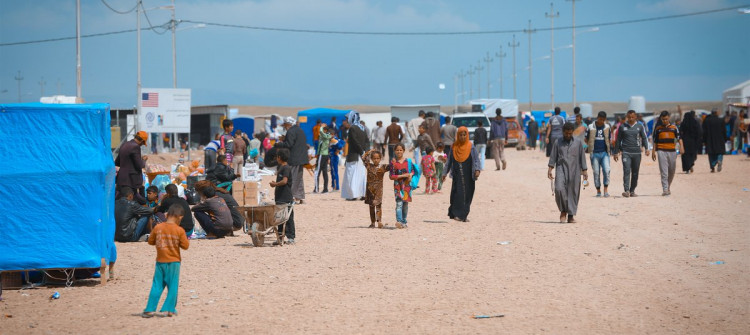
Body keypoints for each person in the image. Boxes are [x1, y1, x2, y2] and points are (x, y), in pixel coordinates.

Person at [141, 204, 189, 318]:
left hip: (160, 262)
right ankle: (169, 309)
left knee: (157, 285)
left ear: (167, 215)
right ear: (180, 217)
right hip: (174, 262)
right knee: (172, 286)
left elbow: (150, 241)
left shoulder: (158, 227)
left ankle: (150, 309)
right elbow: (185, 246)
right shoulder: (179, 230)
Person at [548, 122, 588, 223]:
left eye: (570, 133)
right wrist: (550, 168)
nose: (568, 135)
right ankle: (563, 211)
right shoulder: (558, 142)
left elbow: (582, 157)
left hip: (575, 170)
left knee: (573, 192)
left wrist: (585, 170)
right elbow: (553, 156)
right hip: (561, 168)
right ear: (563, 132)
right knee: (559, 189)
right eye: (566, 133)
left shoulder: (578, 142)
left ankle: (571, 215)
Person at [442, 127, 481, 222]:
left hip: (469, 175)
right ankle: (457, 214)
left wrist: (477, 170)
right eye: (460, 135)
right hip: (457, 175)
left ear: (467, 135)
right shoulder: (454, 147)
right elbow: (449, 161)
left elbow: (476, 159)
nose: (463, 137)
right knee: (458, 193)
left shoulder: (471, 147)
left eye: (464, 135)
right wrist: (444, 173)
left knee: (468, 194)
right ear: (457, 136)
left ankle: (463, 215)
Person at [613, 110, 650, 197]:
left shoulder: (640, 126)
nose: (630, 119)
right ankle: (626, 190)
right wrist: (616, 152)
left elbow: (644, 138)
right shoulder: (622, 127)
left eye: (632, 117)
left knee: (635, 172)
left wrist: (647, 148)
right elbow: (618, 140)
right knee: (626, 170)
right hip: (626, 152)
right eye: (629, 117)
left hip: (637, 153)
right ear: (627, 117)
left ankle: (632, 190)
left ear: (635, 117)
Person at [275, 117, 307, 203]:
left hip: (294, 158)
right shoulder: (299, 130)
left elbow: (289, 144)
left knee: (293, 177)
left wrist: (280, 143)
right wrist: (285, 138)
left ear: (288, 124)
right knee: (299, 178)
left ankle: (291, 197)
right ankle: (299, 197)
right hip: (301, 158)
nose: (284, 127)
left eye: (285, 125)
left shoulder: (291, 131)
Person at [652, 111, 683, 196]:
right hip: (661, 151)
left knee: (672, 171)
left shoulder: (674, 128)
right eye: (663, 119)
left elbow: (677, 139)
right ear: (661, 119)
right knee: (664, 171)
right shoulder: (658, 128)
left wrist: (680, 148)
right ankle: (665, 189)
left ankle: (668, 185)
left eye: (666, 119)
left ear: (669, 118)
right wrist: (653, 151)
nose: (664, 121)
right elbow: (655, 141)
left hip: (672, 151)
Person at [115, 130, 149, 205]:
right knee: (131, 203)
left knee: (120, 202)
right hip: (130, 181)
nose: (142, 145)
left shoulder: (124, 144)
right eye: (143, 144)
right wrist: (143, 160)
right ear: (142, 141)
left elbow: (117, 162)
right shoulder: (135, 147)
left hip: (121, 180)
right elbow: (139, 165)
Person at [269, 148, 295, 244]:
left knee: (288, 218)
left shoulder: (286, 168)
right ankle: (280, 237)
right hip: (280, 197)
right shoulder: (281, 167)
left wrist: (275, 184)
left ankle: (291, 237)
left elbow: (284, 181)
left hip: (286, 197)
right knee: (280, 218)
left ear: (279, 157)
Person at [341, 111, 368, 201]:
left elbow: (355, 141)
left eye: (347, 118)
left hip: (354, 155)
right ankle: (363, 194)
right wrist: (365, 152)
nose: (346, 120)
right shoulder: (362, 128)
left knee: (351, 175)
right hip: (362, 156)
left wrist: (361, 152)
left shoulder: (352, 128)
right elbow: (367, 141)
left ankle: (352, 195)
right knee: (361, 175)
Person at [585, 111, 612, 197]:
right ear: (597, 117)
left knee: (607, 170)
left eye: (603, 120)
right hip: (594, 153)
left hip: (605, 153)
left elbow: (609, 139)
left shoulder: (607, 127)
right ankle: (598, 190)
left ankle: (606, 189)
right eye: (600, 119)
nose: (601, 121)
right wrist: (590, 145)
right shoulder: (590, 127)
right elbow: (586, 138)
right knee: (596, 172)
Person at [389, 143, 415, 228]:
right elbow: (391, 176)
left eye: (400, 150)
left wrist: (410, 175)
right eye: (397, 150)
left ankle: (404, 221)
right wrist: (403, 176)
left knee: (405, 204)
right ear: (394, 151)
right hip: (398, 187)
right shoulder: (393, 163)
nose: (399, 151)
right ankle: (399, 221)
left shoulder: (408, 162)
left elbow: (412, 171)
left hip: (407, 186)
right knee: (399, 203)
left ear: (403, 151)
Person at [362, 149, 390, 228]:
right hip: (370, 191)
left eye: (378, 158)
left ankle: (379, 221)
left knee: (378, 206)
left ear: (380, 159)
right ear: (371, 159)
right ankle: (372, 222)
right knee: (371, 206)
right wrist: (370, 151)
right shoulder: (369, 166)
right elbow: (363, 158)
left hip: (378, 190)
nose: (376, 160)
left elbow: (393, 166)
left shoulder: (383, 167)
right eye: (374, 158)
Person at [703, 108, 728, 173]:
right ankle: (719, 160)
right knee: (720, 152)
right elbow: (724, 131)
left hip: (710, 140)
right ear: (716, 113)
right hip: (720, 139)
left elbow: (704, 131)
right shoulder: (721, 120)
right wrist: (725, 138)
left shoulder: (707, 121)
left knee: (711, 153)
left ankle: (712, 166)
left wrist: (704, 140)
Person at [679, 107, 701, 173]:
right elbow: (699, 132)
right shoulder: (695, 123)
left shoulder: (683, 123)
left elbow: (680, 132)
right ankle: (691, 164)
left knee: (685, 156)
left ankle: (687, 168)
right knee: (692, 154)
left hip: (685, 141)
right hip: (693, 142)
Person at [313, 124, 332, 193]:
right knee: (324, 172)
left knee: (317, 172)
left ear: (325, 130)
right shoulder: (328, 136)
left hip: (322, 155)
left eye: (324, 129)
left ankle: (316, 189)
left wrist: (321, 126)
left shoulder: (325, 136)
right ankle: (325, 189)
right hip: (325, 155)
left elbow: (320, 132)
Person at [329, 127, 344, 191]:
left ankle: (336, 186)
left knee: (334, 172)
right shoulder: (335, 139)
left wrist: (338, 151)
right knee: (332, 172)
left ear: (332, 134)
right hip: (332, 156)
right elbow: (343, 142)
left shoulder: (334, 140)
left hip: (334, 157)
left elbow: (340, 146)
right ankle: (334, 185)